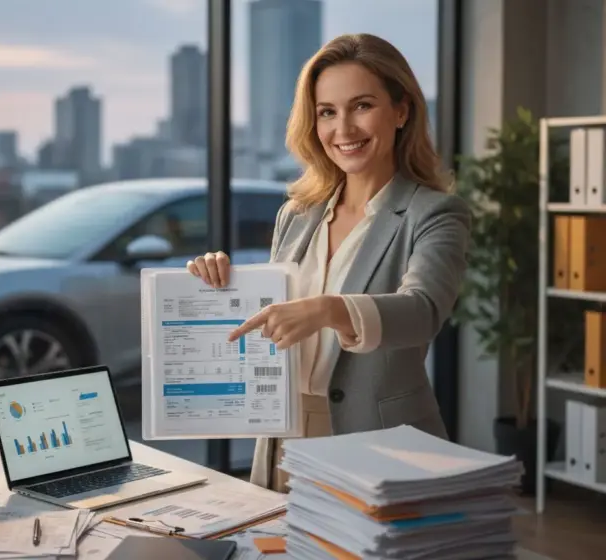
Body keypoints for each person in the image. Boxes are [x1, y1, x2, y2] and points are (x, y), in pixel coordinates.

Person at [186, 33, 470, 493]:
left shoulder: (434, 213)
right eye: (327, 112)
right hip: (283, 434)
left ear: (401, 111)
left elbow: (422, 311)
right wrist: (216, 282)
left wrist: (327, 309)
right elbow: (271, 316)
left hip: (378, 439)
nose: (344, 129)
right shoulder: (297, 213)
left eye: (362, 106)